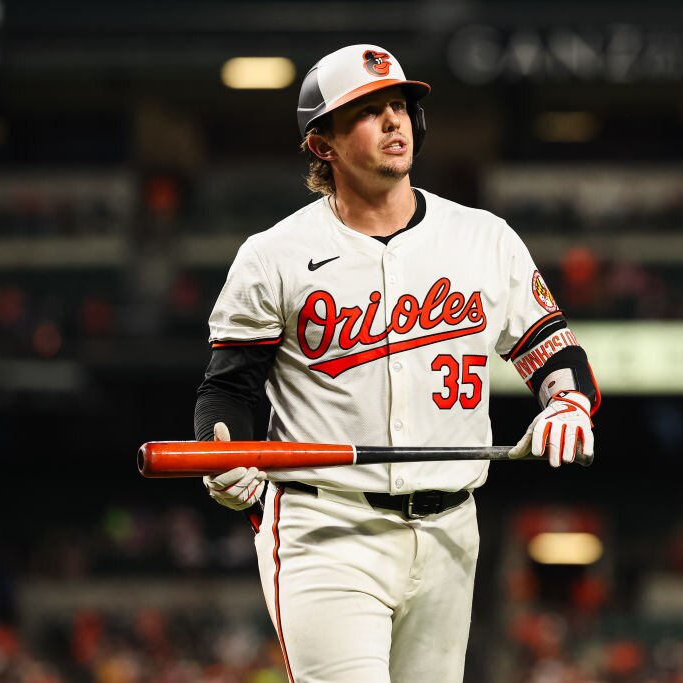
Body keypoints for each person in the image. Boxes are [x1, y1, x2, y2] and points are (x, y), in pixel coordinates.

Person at [194, 43, 600, 683]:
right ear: (321, 143)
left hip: (450, 532)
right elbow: (228, 392)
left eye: (400, 106)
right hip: (327, 525)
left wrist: (567, 402)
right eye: (367, 111)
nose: (394, 122)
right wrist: (229, 456)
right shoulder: (274, 253)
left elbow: (555, 351)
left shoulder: (483, 238)